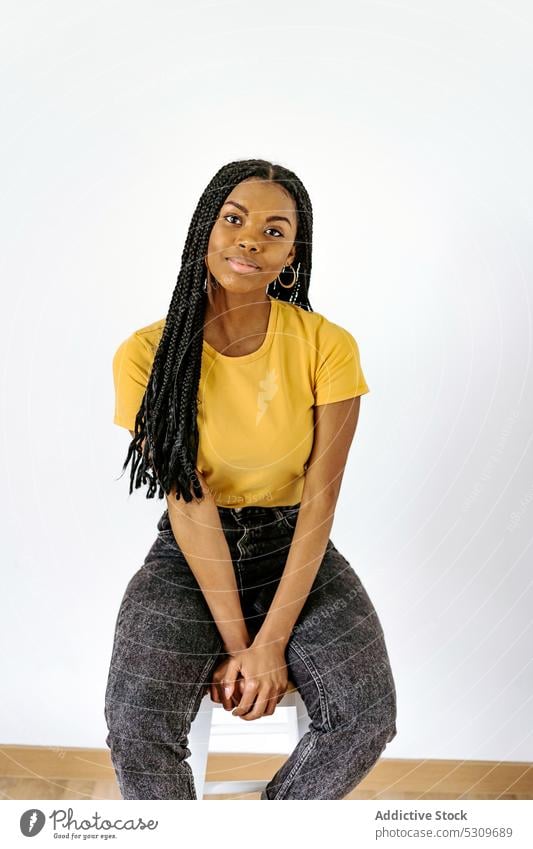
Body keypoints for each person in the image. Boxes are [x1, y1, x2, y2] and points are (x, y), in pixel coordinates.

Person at [104, 158, 397, 800]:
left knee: (365, 717)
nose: (250, 239)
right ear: (204, 230)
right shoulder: (145, 356)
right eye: (234, 219)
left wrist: (276, 642)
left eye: (274, 230)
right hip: (190, 556)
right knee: (135, 724)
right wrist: (245, 647)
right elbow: (189, 504)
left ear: (293, 253)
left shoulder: (326, 344)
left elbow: (321, 497)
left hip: (296, 546)